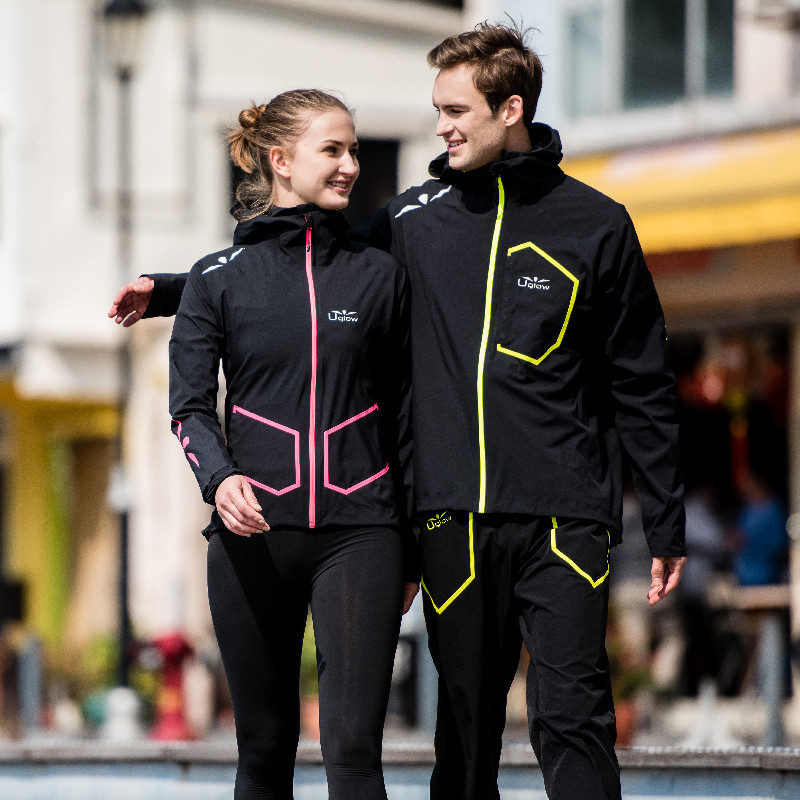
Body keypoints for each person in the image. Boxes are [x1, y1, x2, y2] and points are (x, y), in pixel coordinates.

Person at [110, 22, 686, 800]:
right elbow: (294, 262)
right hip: (451, 518)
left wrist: (666, 517)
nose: (439, 127)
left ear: (510, 109)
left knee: (573, 718)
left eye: (455, 110)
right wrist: (171, 292)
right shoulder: (412, 220)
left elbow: (642, 378)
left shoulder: (597, 222)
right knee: (464, 733)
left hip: (561, 516)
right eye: (437, 109)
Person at [168, 89, 418, 800]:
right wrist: (219, 479)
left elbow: (407, 419)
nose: (350, 165)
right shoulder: (217, 279)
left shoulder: (380, 276)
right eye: (332, 149)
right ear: (280, 160)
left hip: (362, 532)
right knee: (264, 748)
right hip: (253, 536)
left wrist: (412, 545)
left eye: (354, 150)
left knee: (355, 749)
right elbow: (189, 408)